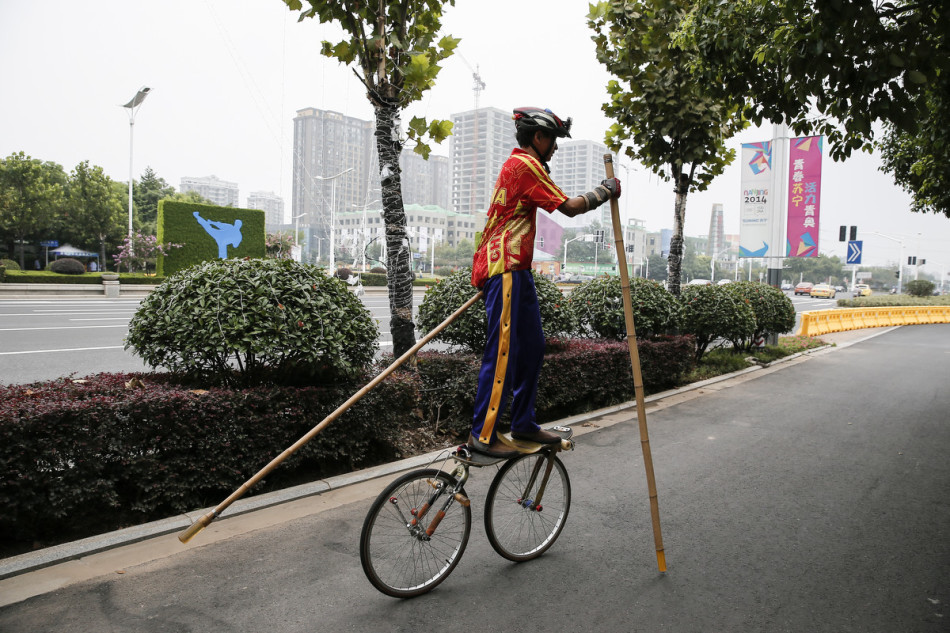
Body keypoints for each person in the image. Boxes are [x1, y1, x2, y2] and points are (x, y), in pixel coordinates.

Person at [468, 106, 621, 457]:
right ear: (538, 137)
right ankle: (483, 434)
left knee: (533, 346)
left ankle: (522, 422)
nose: (554, 148)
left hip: (515, 270)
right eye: (552, 141)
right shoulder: (525, 165)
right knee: (502, 352)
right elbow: (568, 207)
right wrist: (605, 190)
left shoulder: (519, 165)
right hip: (505, 267)